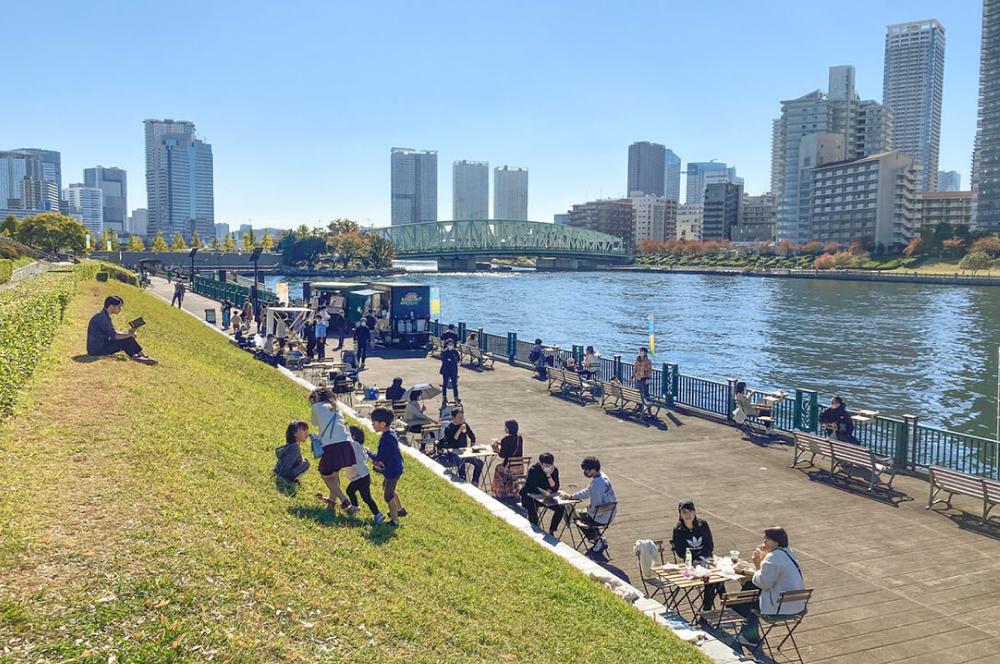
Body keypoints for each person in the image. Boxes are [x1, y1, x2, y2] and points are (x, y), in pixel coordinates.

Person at [735, 527, 806, 648]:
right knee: (750, 588)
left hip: (780, 609)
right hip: (798, 605)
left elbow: (763, 583)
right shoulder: (788, 552)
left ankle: (748, 635)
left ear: (776, 541)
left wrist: (758, 563)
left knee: (751, 597)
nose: (764, 542)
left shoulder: (773, 557)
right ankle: (746, 629)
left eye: (767, 539)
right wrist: (765, 558)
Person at [309, 388, 355, 512]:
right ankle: (331, 502)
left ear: (315, 398)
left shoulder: (316, 407)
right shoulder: (335, 406)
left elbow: (314, 423)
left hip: (331, 444)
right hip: (346, 443)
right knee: (334, 474)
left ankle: (344, 499)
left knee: (325, 474)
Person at [672, 500, 721, 610]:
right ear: (680, 514)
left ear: (694, 512)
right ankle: (714, 606)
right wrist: (693, 559)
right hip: (691, 563)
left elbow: (709, 545)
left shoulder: (702, 525)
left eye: (690, 511)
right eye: (684, 512)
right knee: (712, 580)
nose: (688, 515)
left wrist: (703, 556)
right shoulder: (678, 530)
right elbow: (680, 551)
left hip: (706, 558)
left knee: (717, 578)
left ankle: (718, 605)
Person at [561, 456, 616, 555]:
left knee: (574, 515)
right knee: (582, 514)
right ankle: (598, 538)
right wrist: (572, 496)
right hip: (610, 513)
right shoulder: (603, 477)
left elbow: (595, 508)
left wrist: (589, 511)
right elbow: (587, 492)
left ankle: (596, 540)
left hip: (601, 516)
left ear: (594, 469)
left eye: (588, 470)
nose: (586, 472)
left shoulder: (596, 484)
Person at [86, 295, 158, 365]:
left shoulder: (103, 315)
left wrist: (129, 332)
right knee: (127, 339)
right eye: (119, 306)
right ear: (111, 306)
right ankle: (142, 356)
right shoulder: (103, 318)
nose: (120, 309)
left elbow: (113, 333)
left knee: (127, 338)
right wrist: (129, 334)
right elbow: (115, 335)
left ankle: (138, 356)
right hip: (97, 349)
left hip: (98, 346)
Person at [368, 407, 405, 527]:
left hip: (392, 470)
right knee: (387, 487)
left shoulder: (385, 439)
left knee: (388, 496)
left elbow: (379, 457)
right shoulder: (391, 433)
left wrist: (368, 452)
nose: (372, 425)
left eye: (374, 423)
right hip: (396, 467)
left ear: (382, 424)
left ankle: (394, 521)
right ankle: (400, 510)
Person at [344, 425, 385, 522]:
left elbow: (347, 443)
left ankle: (355, 506)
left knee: (350, 491)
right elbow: (365, 458)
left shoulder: (353, 444)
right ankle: (377, 514)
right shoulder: (361, 447)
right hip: (364, 475)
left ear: (353, 437)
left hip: (360, 476)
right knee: (366, 497)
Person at [436, 407, 484, 485]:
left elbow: (472, 436)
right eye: (459, 417)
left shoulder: (464, 425)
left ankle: (475, 481)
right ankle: (462, 479)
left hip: (464, 451)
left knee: (479, 462)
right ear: (453, 418)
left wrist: (472, 446)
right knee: (461, 461)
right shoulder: (449, 428)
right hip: (453, 453)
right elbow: (452, 441)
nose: (461, 419)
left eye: (462, 417)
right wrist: (459, 430)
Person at [520, 453, 563, 535]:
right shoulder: (533, 470)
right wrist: (545, 489)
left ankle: (552, 530)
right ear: (540, 463)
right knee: (532, 509)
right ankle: (535, 528)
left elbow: (555, 487)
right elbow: (532, 487)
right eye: (545, 465)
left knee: (560, 509)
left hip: (546, 496)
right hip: (530, 496)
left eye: (549, 465)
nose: (547, 467)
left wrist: (549, 476)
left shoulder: (554, 470)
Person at [491, 419, 524, 499]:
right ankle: (511, 491)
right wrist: (501, 443)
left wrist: (496, 449)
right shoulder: (519, 438)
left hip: (509, 468)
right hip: (519, 467)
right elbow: (512, 445)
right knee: (503, 470)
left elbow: (502, 455)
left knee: (498, 469)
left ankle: (500, 491)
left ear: (508, 429)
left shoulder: (505, 439)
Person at [439, 339, 461, 404]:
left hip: (453, 371)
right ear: (447, 345)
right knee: (444, 384)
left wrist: (451, 360)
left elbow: (458, 359)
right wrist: (452, 360)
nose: (451, 346)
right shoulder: (444, 352)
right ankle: (444, 397)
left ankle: (456, 397)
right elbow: (445, 361)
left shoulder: (455, 352)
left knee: (455, 385)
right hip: (446, 370)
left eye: (452, 344)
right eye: (449, 344)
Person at [633, 347, 653, 417]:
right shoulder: (637, 360)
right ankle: (640, 406)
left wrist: (648, 378)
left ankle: (648, 408)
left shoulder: (648, 361)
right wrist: (632, 376)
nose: (641, 352)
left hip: (644, 379)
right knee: (639, 393)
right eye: (640, 351)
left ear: (645, 353)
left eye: (642, 351)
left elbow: (649, 371)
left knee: (646, 394)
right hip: (638, 378)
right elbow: (635, 369)